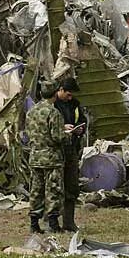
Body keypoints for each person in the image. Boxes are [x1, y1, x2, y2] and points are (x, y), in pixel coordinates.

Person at [25, 80, 70, 233]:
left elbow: (31, 133)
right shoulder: (53, 113)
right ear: (55, 93)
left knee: (36, 190)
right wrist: (68, 135)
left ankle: (34, 223)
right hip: (51, 158)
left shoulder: (31, 111)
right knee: (53, 190)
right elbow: (57, 137)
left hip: (35, 156)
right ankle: (53, 223)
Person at [54, 77, 85, 232]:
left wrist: (79, 130)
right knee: (53, 187)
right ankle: (52, 221)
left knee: (71, 185)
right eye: (68, 94)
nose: (70, 97)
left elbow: (83, 121)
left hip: (71, 149)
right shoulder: (52, 105)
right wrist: (62, 128)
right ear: (60, 90)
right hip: (55, 151)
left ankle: (69, 221)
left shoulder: (75, 105)